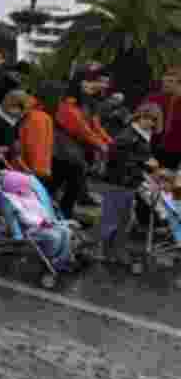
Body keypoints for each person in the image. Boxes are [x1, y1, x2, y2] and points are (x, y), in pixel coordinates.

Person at [102, 103, 163, 265]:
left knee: (123, 220)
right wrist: (144, 164)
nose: (148, 122)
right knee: (116, 220)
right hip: (120, 183)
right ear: (138, 117)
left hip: (126, 183)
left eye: (153, 119)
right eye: (145, 117)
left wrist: (146, 164)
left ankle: (115, 252)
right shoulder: (130, 135)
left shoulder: (141, 135)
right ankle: (110, 253)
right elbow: (116, 158)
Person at [53, 72, 112, 217]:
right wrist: (103, 146)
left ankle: (62, 213)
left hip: (72, 150)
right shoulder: (69, 103)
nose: (92, 86)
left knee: (63, 183)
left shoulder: (86, 101)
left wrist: (110, 144)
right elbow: (82, 129)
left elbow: (93, 126)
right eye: (87, 82)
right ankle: (63, 214)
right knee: (67, 182)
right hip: (63, 150)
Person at [143, 65, 181, 169]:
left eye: (170, 82)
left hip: (176, 152)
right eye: (164, 81)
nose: (165, 84)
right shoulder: (153, 98)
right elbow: (138, 119)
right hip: (151, 148)